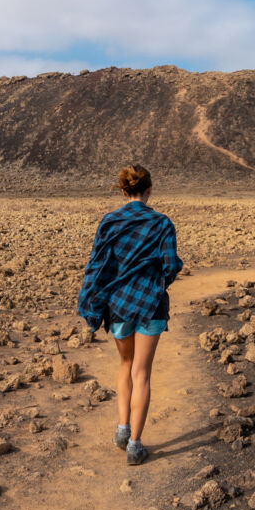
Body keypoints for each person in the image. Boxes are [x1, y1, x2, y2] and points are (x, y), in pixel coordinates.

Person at [78, 165, 183, 466]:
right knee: (143, 373)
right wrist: (156, 283)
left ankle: (122, 429)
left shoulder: (109, 222)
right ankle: (135, 446)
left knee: (125, 364)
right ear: (150, 190)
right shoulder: (162, 223)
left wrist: (97, 299)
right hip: (151, 304)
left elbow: (98, 265)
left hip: (120, 304)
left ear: (124, 191)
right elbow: (171, 265)